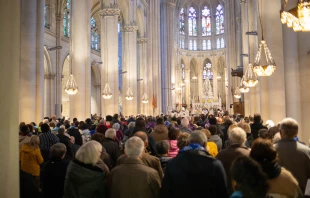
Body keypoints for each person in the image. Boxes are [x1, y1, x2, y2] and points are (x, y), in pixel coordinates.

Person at [160, 131, 228, 198]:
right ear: (205, 144)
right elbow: (223, 193)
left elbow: (166, 192)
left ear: (189, 143)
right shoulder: (215, 165)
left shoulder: (172, 163)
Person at [274, 118, 310, 195]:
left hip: (277, 193)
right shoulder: (307, 150)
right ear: (297, 133)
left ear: (280, 133)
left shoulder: (271, 149)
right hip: (300, 193)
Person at [216, 127, 250, 194]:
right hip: (246, 192)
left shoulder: (221, 154)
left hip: (225, 191)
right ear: (245, 139)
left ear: (229, 139)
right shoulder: (250, 154)